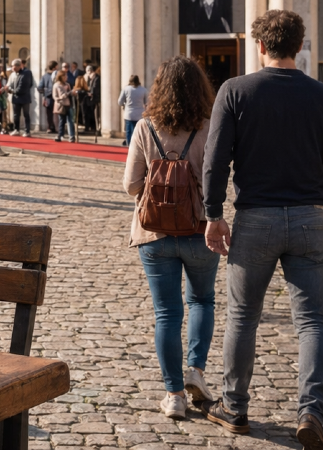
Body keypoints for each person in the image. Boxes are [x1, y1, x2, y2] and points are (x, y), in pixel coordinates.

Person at [202, 10, 323, 442]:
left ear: (259, 46)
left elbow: (216, 159)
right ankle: (312, 412)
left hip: (255, 218)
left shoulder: (236, 90)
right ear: (299, 46)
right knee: (312, 322)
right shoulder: (318, 94)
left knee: (242, 316)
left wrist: (213, 214)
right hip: (310, 217)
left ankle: (234, 407)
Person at [124, 55, 218, 421]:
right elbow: (218, 180)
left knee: (166, 313)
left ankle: (174, 394)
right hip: (199, 229)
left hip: (155, 232)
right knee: (202, 301)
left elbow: (130, 185)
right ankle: (196, 370)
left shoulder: (145, 127)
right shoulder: (209, 126)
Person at [7, 59, 34, 137]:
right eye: (12, 66)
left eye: (13, 66)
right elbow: (11, 84)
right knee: (16, 115)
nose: (12, 68)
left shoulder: (26, 73)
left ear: (19, 66)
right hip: (16, 98)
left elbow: (22, 88)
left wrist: (11, 90)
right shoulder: (14, 74)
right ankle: (16, 129)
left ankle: (27, 131)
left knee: (26, 114)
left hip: (24, 98)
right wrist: (9, 88)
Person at [119, 75, 149, 146]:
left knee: (129, 132)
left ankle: (130, 147)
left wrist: (124, 104)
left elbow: (120, 102)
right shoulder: (143, 90)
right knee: (138, 132)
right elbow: (147, 102)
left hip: (129, 114)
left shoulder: (126, 89)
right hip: (139, 114)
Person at [52, 72, 74, 142]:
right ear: (61, 77)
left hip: (69, 104)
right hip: (61, 105)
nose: (66, 77)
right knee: (62, 121)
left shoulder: (67, 84)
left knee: (70, 121)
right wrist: (61, 97)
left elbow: (70, 94)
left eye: (66, 76)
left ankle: (71, 136)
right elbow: (55, 97)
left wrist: (72, 93)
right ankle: (60, 135)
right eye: (65, 76)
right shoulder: (56, 85)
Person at [39, 61, 57, 133]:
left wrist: (44, 94)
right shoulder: (56, 75)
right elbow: (40, 87)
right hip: (53, 96)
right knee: (54, 113)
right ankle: (53, 127)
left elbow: (40, 88)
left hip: (48, 96)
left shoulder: (44, 76)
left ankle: (50, 127)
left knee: (49, 113)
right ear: (54, 67)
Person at [84, 65, 100, 133]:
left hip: (96, 99)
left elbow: (95, 87)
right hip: (92, 99)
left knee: (97, 115)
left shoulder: (96, 78)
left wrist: (91, 93)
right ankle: (95, 128)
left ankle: (97, 128)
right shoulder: (90, 78)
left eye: (89, 72)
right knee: (94, 114)